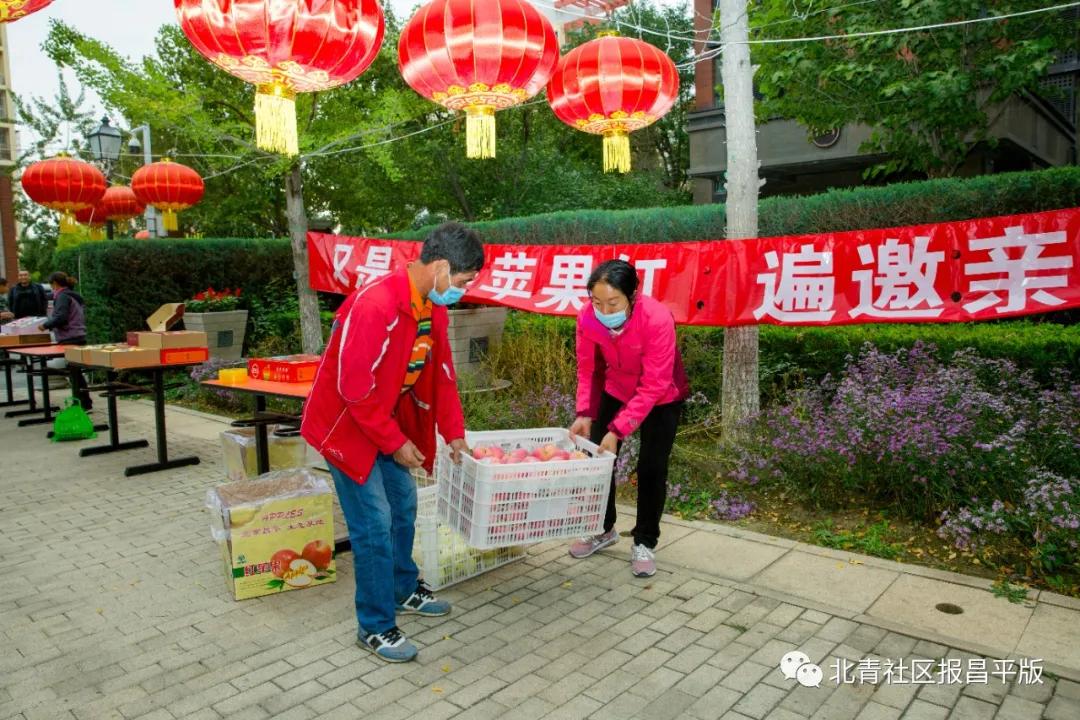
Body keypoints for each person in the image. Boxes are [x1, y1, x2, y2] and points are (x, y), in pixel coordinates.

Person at [301, 222, 484, 663]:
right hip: (348, 426)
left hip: (383, 424)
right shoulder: (376, 304)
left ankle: (403, 588)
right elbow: (353, 388)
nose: (463, 290)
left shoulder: (431, 306)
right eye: (462, 281)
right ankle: (375, 625)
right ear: (440, 267)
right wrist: (395, 442)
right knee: (375, 524)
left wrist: (453, 433)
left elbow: (441, 374)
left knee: (404, 506)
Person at [568, 259, 690, 578]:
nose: (604, 310)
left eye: (613, 302)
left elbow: (654, 384)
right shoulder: (587, 318)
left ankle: (644, 540)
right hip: (616, 388)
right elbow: (587, 369)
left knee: (651, 467)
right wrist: (585, 413)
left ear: (632, 296)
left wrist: (618, 429)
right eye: (597, 302)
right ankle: (602, 529)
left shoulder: (656, 319)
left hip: (662, 396)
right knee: (598, 459)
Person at [39, 272, 92, 410]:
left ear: (55, 284)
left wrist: (45, 325)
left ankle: (82, 403)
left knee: (74, 372)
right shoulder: (72, 295)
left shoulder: (62, 296)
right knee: (76, 371)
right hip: (78, 335)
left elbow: (61, 317)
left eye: (51, 285)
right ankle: (84, 402)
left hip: (70, 336)